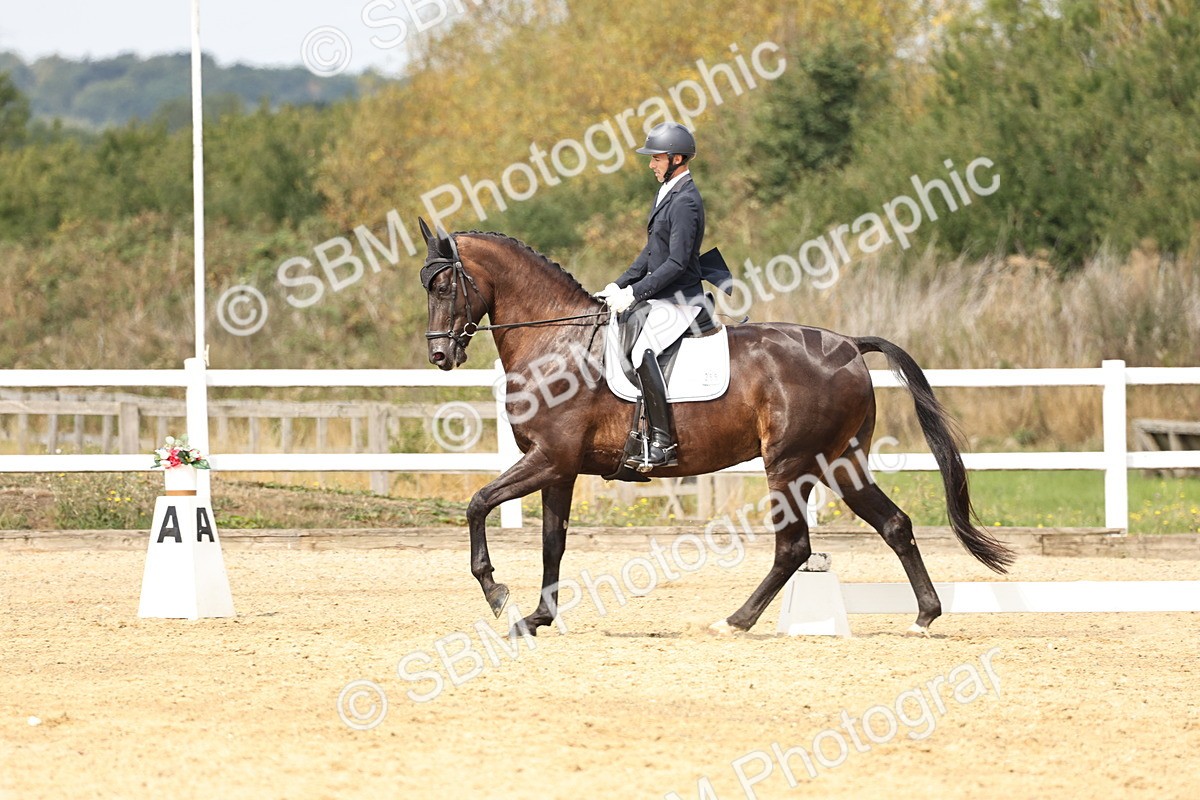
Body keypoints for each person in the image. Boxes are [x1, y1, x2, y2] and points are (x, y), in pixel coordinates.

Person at [595, 121, 729, 473]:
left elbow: (676, 262)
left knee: (641, 351)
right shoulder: (668, 191)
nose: (651, 164)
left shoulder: (686, 200)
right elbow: (651, 252)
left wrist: (636, 293)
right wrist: (619, 286)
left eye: (656, 158)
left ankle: (661, 442)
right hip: (662, 298)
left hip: (681, 301)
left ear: (677, 158)